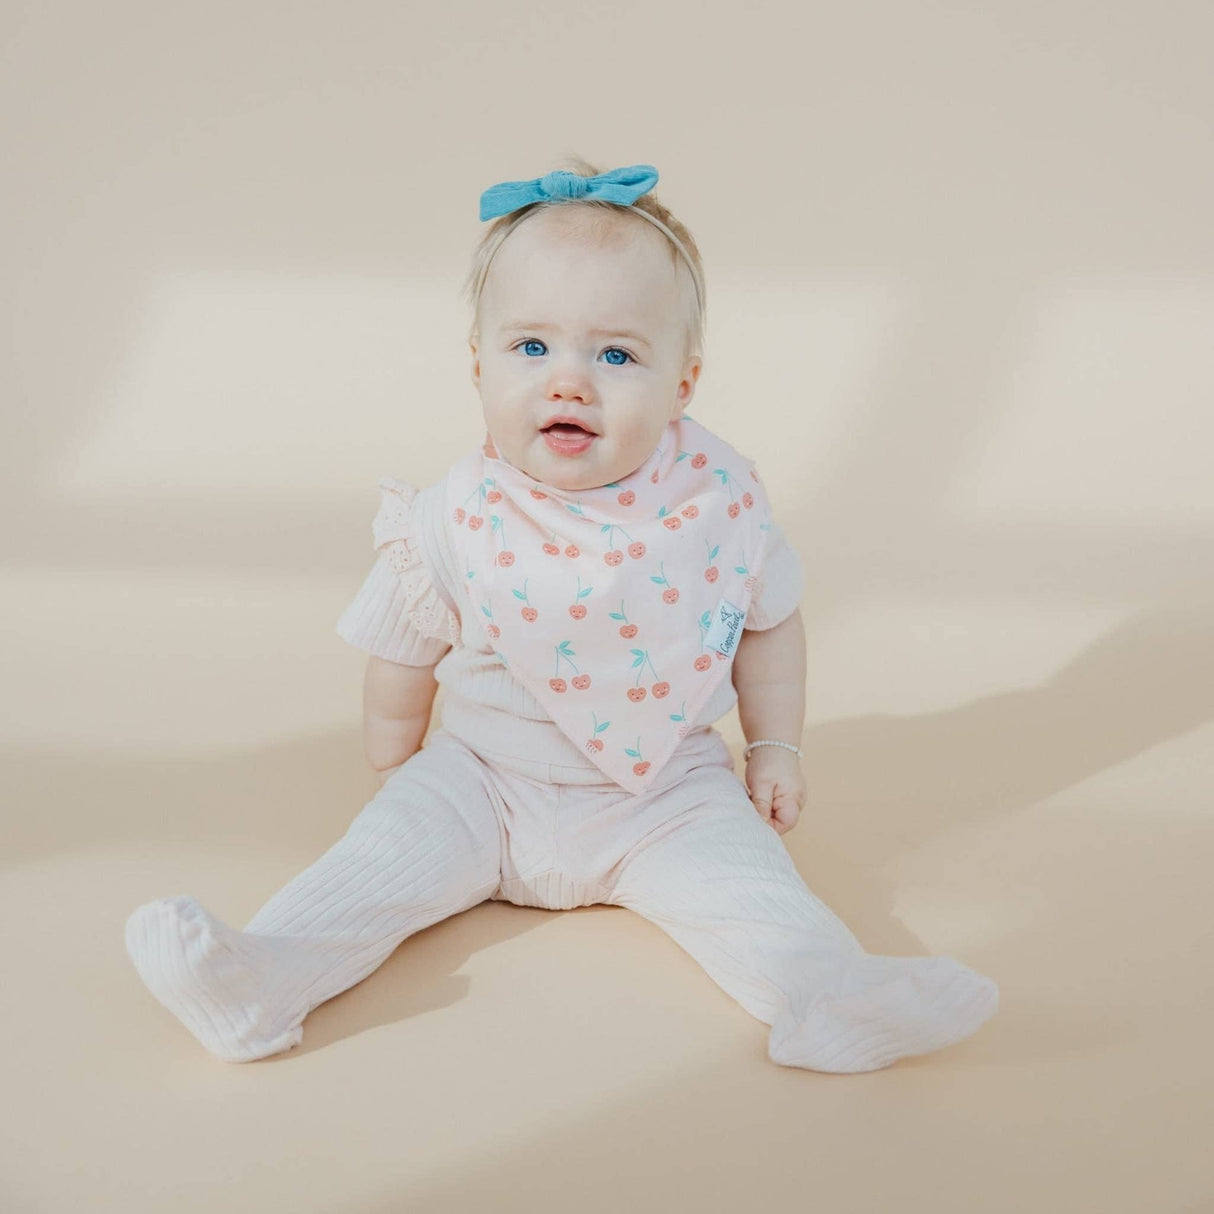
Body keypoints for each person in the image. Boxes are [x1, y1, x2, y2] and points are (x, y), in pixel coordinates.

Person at [124, 158, 999, 1071]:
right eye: (532, 348)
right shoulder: (453, 517)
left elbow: (769, 623)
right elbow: (403, 647)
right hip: (484, 781)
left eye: (616, 356)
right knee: (371, 868)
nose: (569, 382)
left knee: (753, 892)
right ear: (479, 366)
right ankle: (262, 977)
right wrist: (395, 758)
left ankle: (828, 996)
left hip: (664, 793)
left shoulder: (715, 505)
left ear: (684, 384)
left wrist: (776, 745)